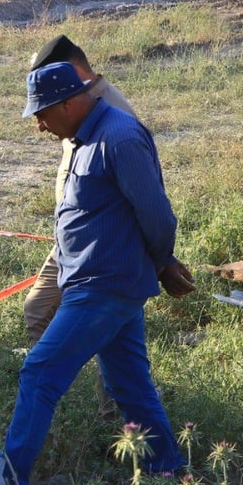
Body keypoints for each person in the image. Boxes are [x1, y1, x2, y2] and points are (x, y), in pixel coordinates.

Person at [1, 61, 193, 485]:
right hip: (95, 282)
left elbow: (156, 213)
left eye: (42, 114)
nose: (38, 125)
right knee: (129, 385)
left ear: (69, 103)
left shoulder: (119, 138)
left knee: (39, 373)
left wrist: (163, 261)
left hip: (105, 286)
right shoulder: (84, 137)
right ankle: (170, 475)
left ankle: (7, 483)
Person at [21, 35, 143, 345]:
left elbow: (142, 196)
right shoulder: (78, 107)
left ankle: (53, 381)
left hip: (101, 242)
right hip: (75, 234)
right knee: (40, 311)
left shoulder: (114, 117)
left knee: (109, 338)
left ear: (73, 72)